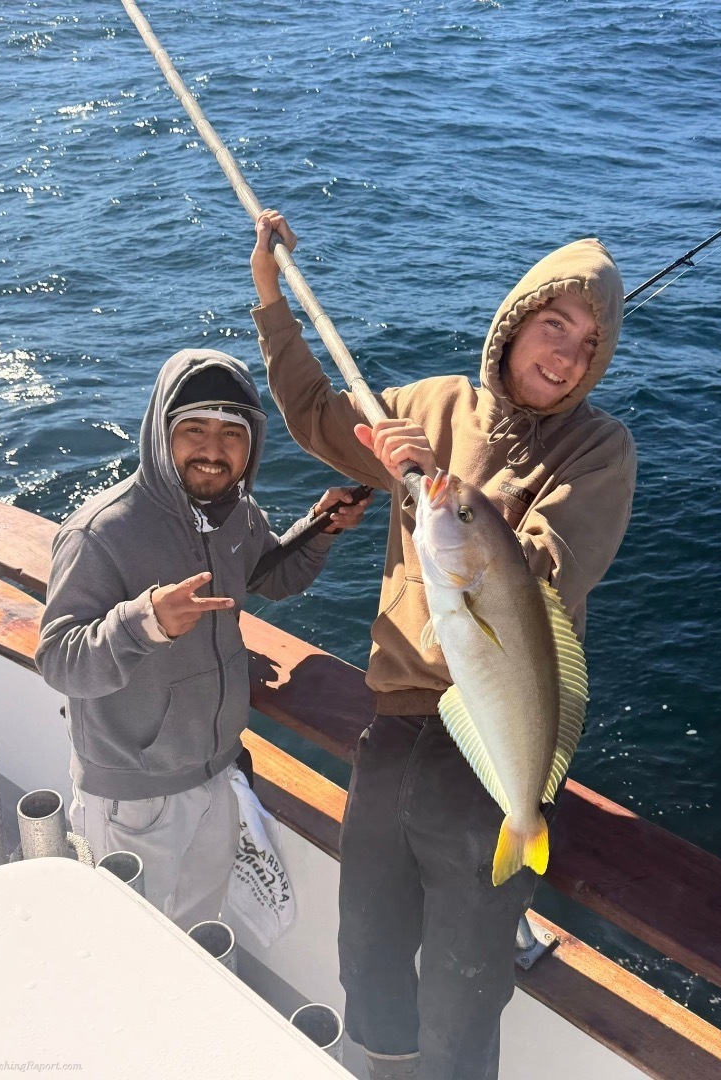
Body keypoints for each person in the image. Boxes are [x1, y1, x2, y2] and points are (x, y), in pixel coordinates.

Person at [250, 211, 635, 1080]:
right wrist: (271, 298)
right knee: (367, 950)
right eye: (555, 324)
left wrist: (442, 487)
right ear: (515, 321)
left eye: (589, 343)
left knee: (466, 984)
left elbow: (545, 570)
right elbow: (315, 416)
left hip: (496, 747)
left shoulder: (601, 449)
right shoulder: (431, 405)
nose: (568, 355)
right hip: (393, 726)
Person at [36, 348, 368, 931]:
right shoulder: (100, 533)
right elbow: (60, 660)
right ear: (162, 432)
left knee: (197, 928)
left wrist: (318, 528)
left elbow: (268, 576)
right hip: (131, 795)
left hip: (216, 770)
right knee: (126, 939)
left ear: (251, 445)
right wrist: (145, 623)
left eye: (231, 434)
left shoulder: (236, 514)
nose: (213, 450)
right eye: (194, 429)